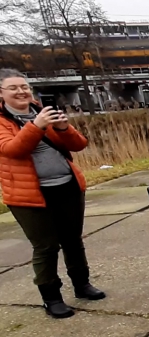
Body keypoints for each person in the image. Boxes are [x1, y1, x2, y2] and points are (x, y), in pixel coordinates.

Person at [0, 69, 106, 319]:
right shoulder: (4, 121)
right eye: (13, 87)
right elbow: (12, 149)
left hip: (66, 186)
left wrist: (62, 128)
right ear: (1, 93)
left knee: (73, 240)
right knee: (46, 246)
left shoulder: (42, 112)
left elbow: (78, 144)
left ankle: (82, 284)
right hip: (28, 196)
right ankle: (51, 297)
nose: (21, 91)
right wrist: (36, 127)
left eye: (24, 86)